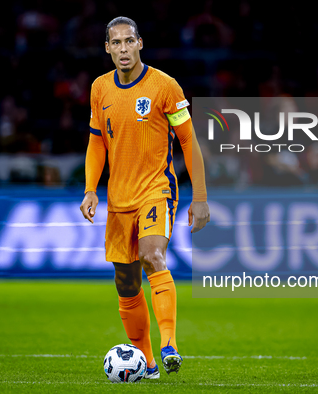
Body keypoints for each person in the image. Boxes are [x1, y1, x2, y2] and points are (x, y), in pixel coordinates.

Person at [79, 17, 209, 378]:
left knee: (153, 256)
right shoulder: (100, 88)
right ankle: (147, 362)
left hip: (157, 190)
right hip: (119, 198)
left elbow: (189, 142)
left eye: (128, 41)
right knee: (126, 282)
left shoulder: (164, 86)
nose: (123, 49)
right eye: (115, 43)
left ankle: (169, 345)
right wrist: (90, 189)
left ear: (140, 43)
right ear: (107, 48)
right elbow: (96, 142)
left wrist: (200, 197)